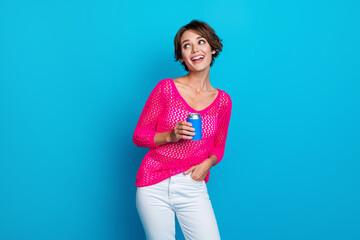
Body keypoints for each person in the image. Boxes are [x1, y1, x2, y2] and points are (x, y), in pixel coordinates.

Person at [133, 19, 232, 240]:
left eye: (201, 42)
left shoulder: (223, 101)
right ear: (181, 57)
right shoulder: (166, 88)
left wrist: (208, 164)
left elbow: (218, 147)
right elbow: (139, 135)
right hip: (153, 184)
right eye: (187, 45)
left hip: (191, 184)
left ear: (213, 48)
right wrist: (171, 135)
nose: (195, 49)